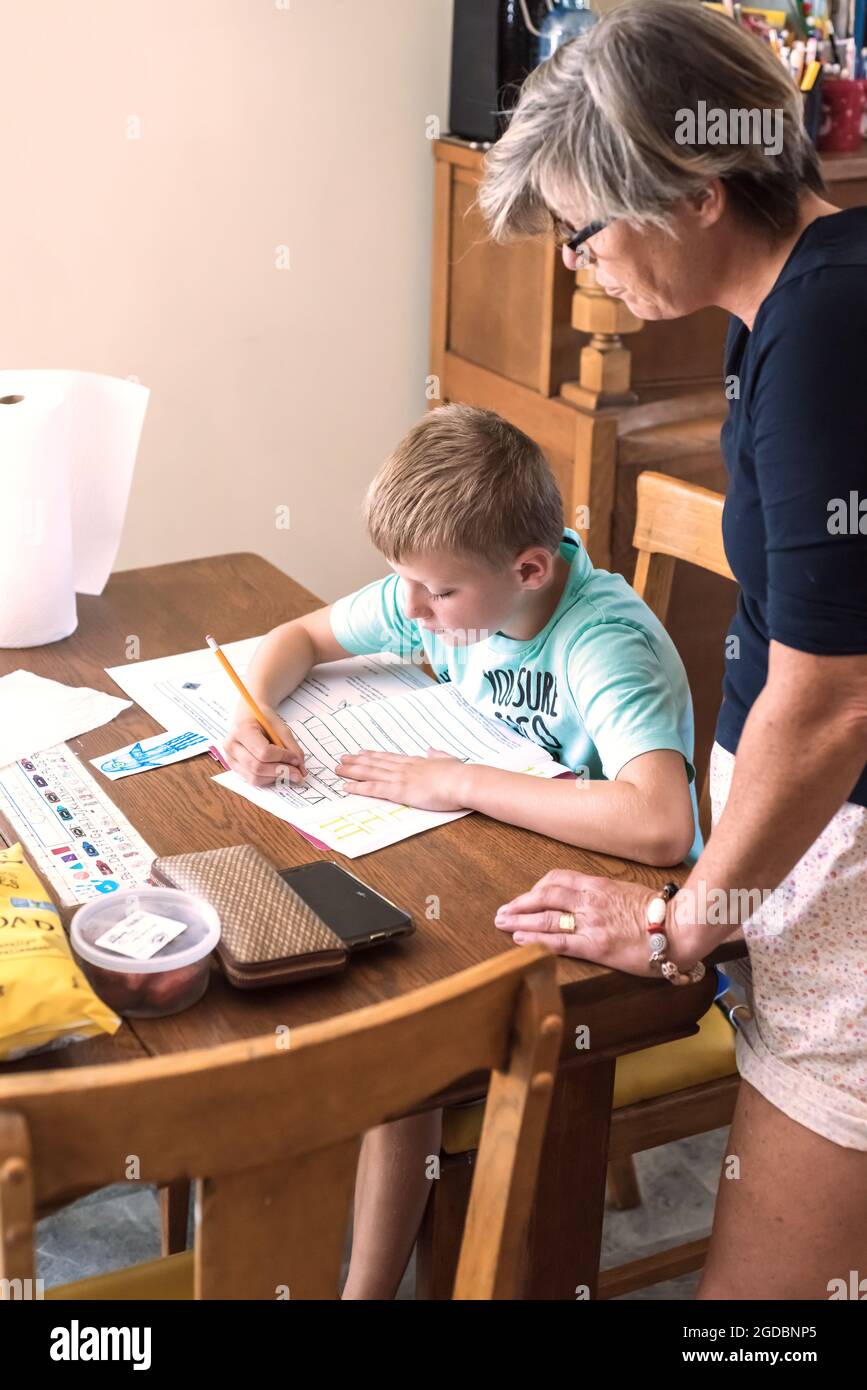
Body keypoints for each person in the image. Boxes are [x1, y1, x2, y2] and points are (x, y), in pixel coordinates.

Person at [478, 0, 867, 1298]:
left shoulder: (824, 327)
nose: (579, 263)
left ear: (697, 184)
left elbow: (827, 707)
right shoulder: (787, 307)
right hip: (803, 881)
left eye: (584, 228)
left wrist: (676, 926)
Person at [224, 401, 702, 1297]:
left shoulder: (603, 645)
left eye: (434, 593)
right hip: (484, 867)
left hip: (627, 931)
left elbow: (660, 824)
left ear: (528, 567)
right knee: (331, 975)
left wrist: (457, 781)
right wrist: (251, 714)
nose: (411, 610)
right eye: (403, 585)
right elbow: (299, 637)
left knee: (404, 1048)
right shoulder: (451, 594)